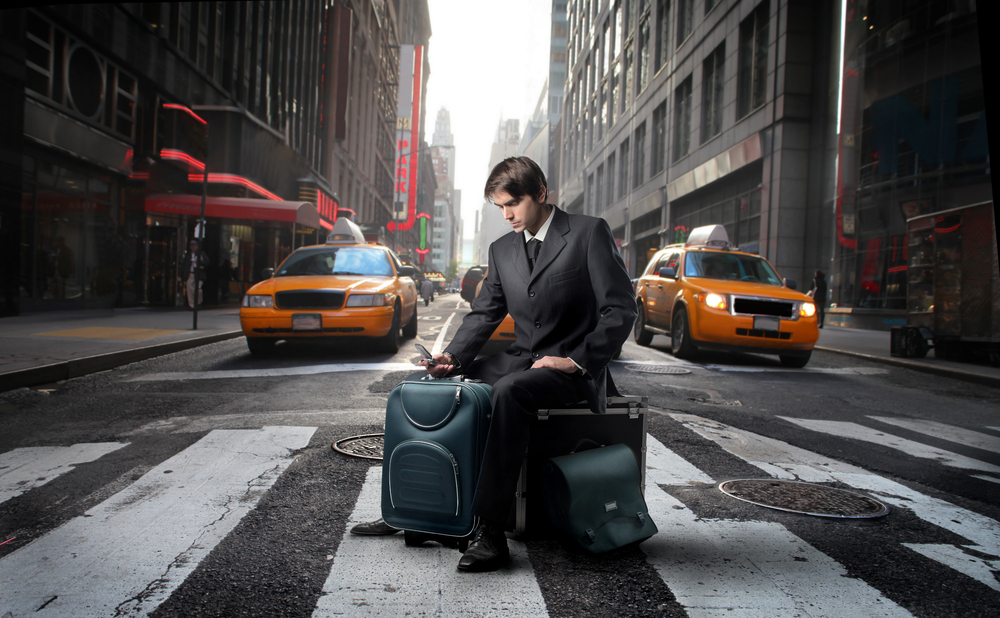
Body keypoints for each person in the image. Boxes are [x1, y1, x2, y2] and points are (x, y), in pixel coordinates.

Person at [350, 156, 637, 572]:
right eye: (500, 207)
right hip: (520, 360)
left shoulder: (589, 233)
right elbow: (485, 313)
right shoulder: (502, 249)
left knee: (508, 392)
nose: (507, 215)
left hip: (571, 369)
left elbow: (620, 309)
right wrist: (453, 358)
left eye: (513, 204)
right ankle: (415, 510)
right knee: (422, 388)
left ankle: (490, 531)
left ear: (540, 193)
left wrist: (576, 361)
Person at [178, 239, 210, 309]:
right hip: (190, 273)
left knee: (198, 289)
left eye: (194, 246)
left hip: (198, 274)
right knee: (190, 290)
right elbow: (184, 265)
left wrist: (198, 262)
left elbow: (207, 262)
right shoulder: (188, 255)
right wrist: (180, 274)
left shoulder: (201, 254)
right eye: (192, 246)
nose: (193, 247)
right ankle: (192, 305)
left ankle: (198, 302)